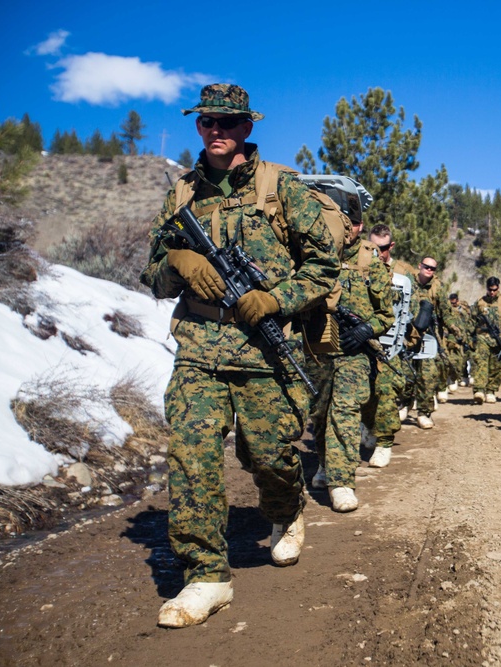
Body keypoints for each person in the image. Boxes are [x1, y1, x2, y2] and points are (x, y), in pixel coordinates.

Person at [140, 84, 342, 627]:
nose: (218, 132)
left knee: (269, 455)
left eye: (229, 122)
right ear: (198, 126)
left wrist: (275, 298)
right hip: (199, 351)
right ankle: (206, 575)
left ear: (247, 127)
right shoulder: (183, 194)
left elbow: (324, 268)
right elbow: (152, 275)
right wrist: (178, 261)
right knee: (191, 453)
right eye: (208, 122)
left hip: (264, 352)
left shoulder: (283, 187)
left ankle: (287, 509)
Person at [306, 181, 392, 512]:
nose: (343, 229)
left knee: (344, 411)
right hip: (317, 348)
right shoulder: (315, 255)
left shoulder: (371, 261)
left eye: (349, 223)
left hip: (355, 356)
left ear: (358, 225)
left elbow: (387, 315)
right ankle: (326, 464)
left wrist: (367, 329)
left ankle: (341, 481)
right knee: (321, 412)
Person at [359, 224, 412, 467]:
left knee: (386, 392)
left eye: (380, 248)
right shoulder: (360, 264)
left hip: (390, 342)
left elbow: (411, 308)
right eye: (370, 246)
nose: (375, 252)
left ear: (390, 246)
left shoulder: (402, 273)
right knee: (364, 394)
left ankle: (384, 443)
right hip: (361, 337)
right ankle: (370, 426)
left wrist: (408, 338)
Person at [405, 256, 458, 428]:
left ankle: (423, 412)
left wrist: (452, 326)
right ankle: (404, 402)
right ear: (419, 265)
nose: (429, 270)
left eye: (433, 268)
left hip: (428, 338)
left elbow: (445, 311)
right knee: (404, 374)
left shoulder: (437, 287)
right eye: (426, 266)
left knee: (428, 376)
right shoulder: (408, 281)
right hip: (406, 336)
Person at [472, 276, 501, 403]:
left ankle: (491, 391)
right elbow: (472, 320)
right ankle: (479, 389)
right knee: (481, 362)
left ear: (498, 288)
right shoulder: (480, 302)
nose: (492, 292)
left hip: (499, 338)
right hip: (483, 337)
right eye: (490, 290)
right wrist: (470, 337)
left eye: (494, 289)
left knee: (496, 366)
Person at [446, 293, 474, 390]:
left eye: (455, 302)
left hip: (464, 336)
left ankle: (463, 376)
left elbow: (469, 322)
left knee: (464, 357)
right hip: (451, 338)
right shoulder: (447, 311)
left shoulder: (464, 310)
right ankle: (452, 378)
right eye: (451, 302)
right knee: (452, 358)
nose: (453, 304)